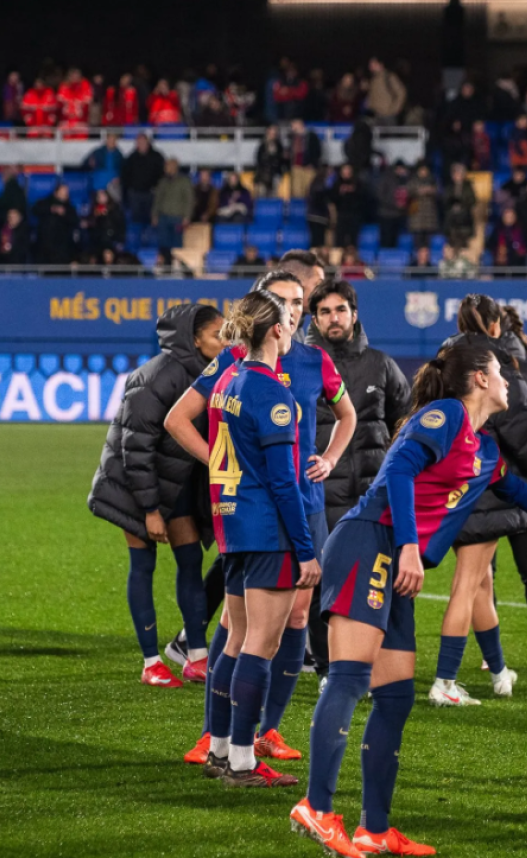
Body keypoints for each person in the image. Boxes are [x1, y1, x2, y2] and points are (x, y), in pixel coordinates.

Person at [291, 345, 527, 857]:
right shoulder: (447, 414)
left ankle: (374, 828)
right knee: (350, 677)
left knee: (395, 696)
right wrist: (411, 546)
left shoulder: (482, 448)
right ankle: (317, 807)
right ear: (480, 379)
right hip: (370, 543)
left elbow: (520, 494)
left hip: (396, 561)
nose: (509, 381)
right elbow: (396, 469)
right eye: (502, 373)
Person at [166, 269, 357, 766]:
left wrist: (330, 459)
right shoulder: (245, 371)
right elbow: (180, 420)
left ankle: (249, 738)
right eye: (285, 303)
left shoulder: (302, 364)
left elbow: (347, 417)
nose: (294, 311)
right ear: (270, 317)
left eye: (300, 301)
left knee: (279, 622)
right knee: (250, 634)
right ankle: (233, 748)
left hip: (273, 510)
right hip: (275, 513)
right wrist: (224, 462)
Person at [196, 290, 319, 788]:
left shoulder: (227, 378)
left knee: (237, 640)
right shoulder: (272, 393)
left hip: (233, 526)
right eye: (288, 322)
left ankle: (221, 748)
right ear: (275, 331)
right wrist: (306, 549)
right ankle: (244, 761)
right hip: (268, 532)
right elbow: (283, 482)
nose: (292, 330)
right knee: (260, 648)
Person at [433, 299, 527, 693]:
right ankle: (445, 682)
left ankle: (498, 673)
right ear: (496, 328)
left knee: (480, 585)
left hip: (457, 486)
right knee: (469, 583)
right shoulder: (492, 367)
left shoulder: (445, 360)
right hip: (486, 487)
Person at [88, 303, 226, 686]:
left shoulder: (213, 373)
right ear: (195, 338)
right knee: (143, 566)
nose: (226, 340)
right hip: (132, 486)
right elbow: (135, 449)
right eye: (218, 334)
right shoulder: (156, 376)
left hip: (175, 483)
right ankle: (151, 663)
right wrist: (150, 510)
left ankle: (196, 655)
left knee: (189, 563)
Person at [307, 278, 411, 681]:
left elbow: (404, 421)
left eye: (340, 310)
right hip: (321, 494)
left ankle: (381, 667)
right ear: (315, 319)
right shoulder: (302, 364)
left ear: (354, 314)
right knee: (322, 583)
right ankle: (326, 669)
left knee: (380, 581)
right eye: (325, 312)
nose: (334, 318)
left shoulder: (382, 365)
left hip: (373, 496)